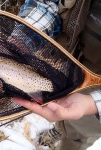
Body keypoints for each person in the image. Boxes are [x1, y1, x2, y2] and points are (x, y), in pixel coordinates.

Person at [12, 0, 101, 149]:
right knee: (61, 109)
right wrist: (23, 39)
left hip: (95, 93)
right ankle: (60, 130)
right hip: (71, 57)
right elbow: (47, 2)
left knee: (80, 131)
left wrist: (90, 104)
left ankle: (72, 140)